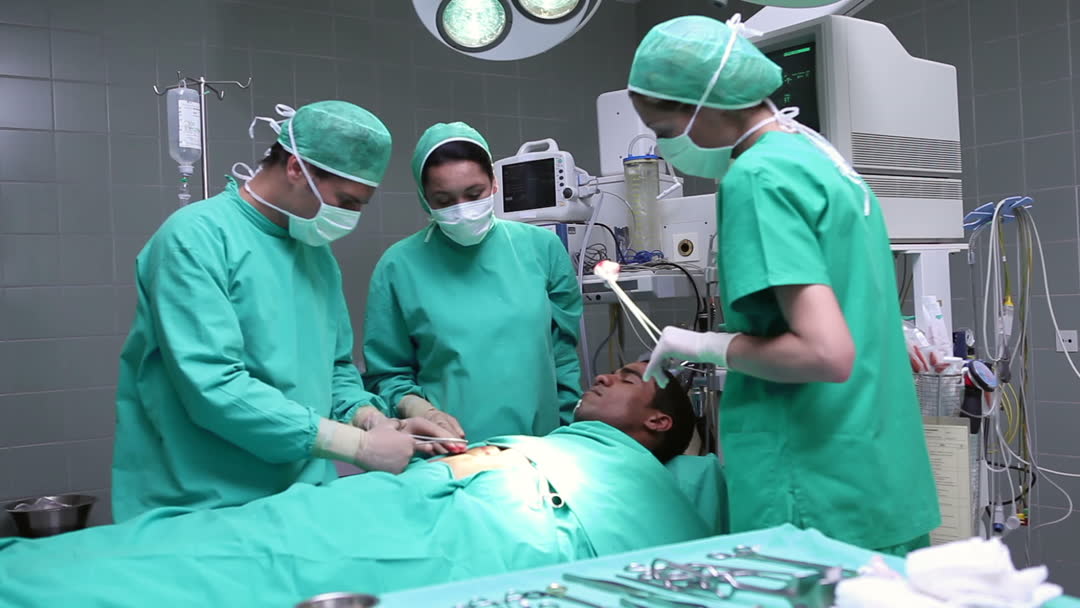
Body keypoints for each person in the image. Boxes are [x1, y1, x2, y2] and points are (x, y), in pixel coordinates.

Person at [0, 364, 717, 607]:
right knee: (239, 535)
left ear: (658, 421)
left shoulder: (640, 482)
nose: (604, 373)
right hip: (372, 505)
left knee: (248, 572)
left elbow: (658, 547)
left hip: (457, 538)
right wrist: (386, 421)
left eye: (628, 377)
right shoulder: (549, 442)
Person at [628, 15, 940, 555]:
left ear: (706, 102)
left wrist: (706, 345)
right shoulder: (822, 162)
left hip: (814, 483)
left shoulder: (756, 176)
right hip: (878, 473)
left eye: (663, 128)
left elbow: (825, 353)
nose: (668, 145)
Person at [112, 101, 455, 522]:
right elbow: (213, 386)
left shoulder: (316, 254)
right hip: (203, 499)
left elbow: (334, 367)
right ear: (296, 167)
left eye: (359, 205)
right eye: (346, 201)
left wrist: (372, 420)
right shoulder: (195, 238)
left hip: (302, 495)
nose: (350, 216)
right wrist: (356, 446)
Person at [362, 122, 584, 441]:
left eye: (474, 194)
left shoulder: (542, 248)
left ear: (494, 182)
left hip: (540, 446)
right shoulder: (398, 266)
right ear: (424, 199)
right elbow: (387, 374)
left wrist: (567, 432)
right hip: (446, 452)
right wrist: (418, 410)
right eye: (443, 200)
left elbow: (563, 357)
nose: (462, 210)